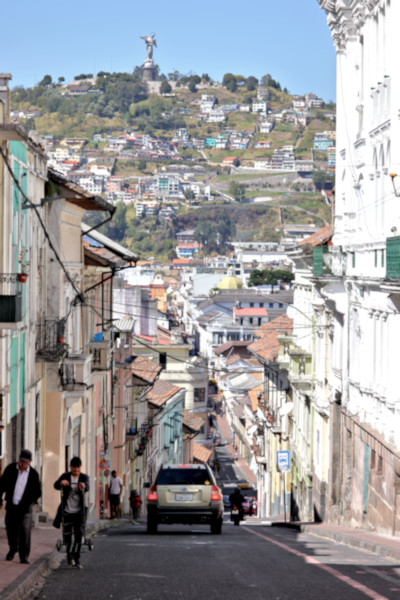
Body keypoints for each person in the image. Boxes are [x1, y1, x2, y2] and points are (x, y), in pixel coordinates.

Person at [0, 449, 41, 564]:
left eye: (26, 462)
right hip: (12, 505)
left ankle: (24, 556)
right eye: (22, 461)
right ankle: (13, 549)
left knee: (25, 531)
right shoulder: (11, 469)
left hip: (25, 507)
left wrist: (32, 501)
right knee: (10, 528)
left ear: (29, 462)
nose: (23, 464)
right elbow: (1, 485)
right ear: (19, 460)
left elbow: (38, 491)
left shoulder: (33, 474)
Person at [54, 456, 89, 569]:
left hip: (79, 512)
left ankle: (77, 558)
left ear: (80, 467)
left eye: (77, 467)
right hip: (67, 511)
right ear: (70, 467)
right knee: (67, 535)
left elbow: (87, 485)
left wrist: (83, 486)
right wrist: (61, 482)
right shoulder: (65, 476)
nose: (75, 470)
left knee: (78, 536)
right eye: (73, 467)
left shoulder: (84, 477)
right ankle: (69, 557)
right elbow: (56, 484)